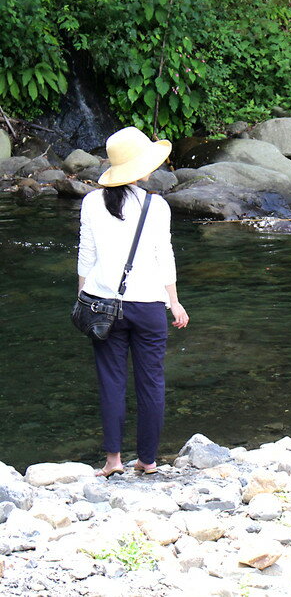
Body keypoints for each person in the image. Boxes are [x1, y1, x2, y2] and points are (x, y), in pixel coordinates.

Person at [77, 127, 189, 477]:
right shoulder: (157, 206)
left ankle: (113, 461)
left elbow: (86, 256)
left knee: (111, 382)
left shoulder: (91, 202)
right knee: (151, 382)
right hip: (149, 307)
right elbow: (164, 256)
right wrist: (174, 302)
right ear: (139, 168)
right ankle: (148, 460)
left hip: (103, 305)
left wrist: (82, 297)